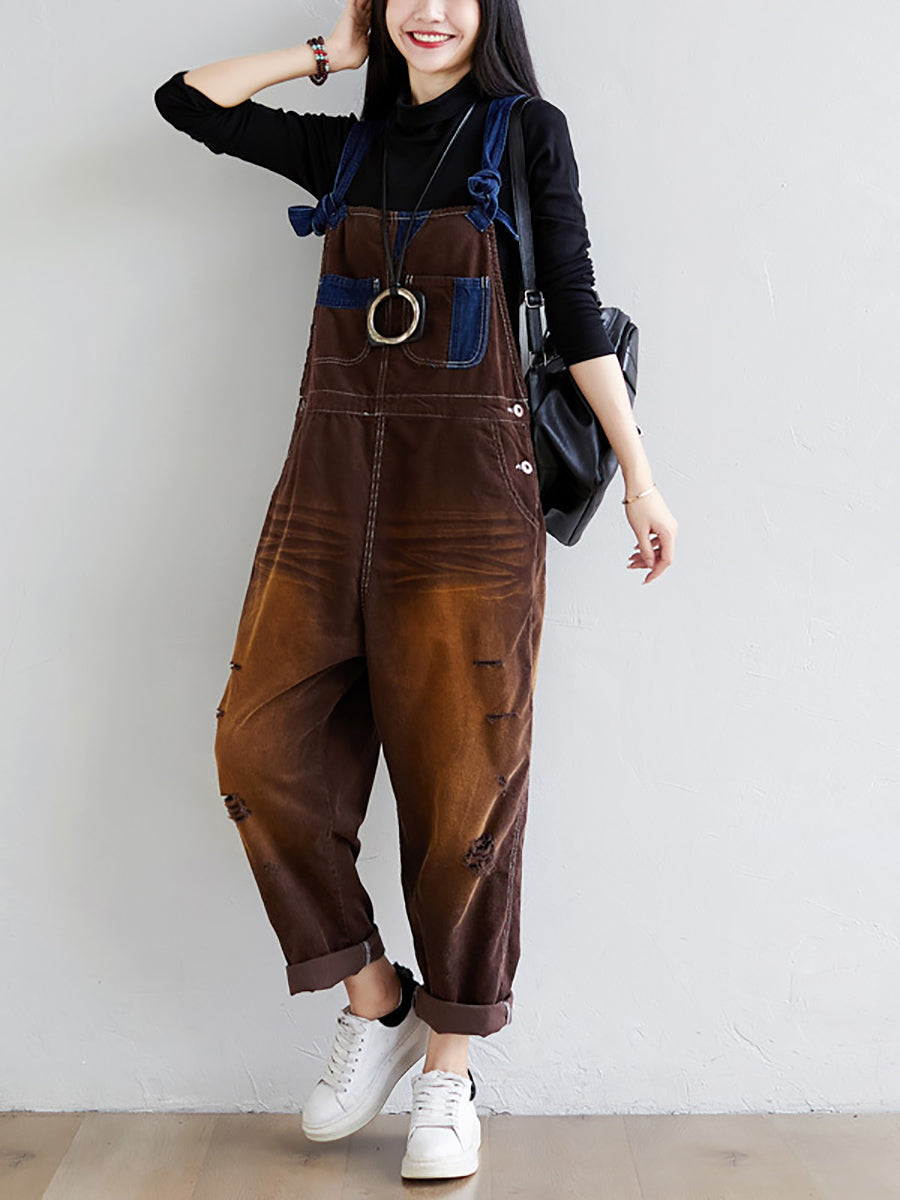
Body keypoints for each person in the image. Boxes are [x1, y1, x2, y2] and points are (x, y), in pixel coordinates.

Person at [154, 0, 677, 1181]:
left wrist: (642, 477)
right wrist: (324, 55)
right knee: (257, 752)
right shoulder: (347, 148)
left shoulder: (525, 133)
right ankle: (377, 998)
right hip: (326, 491)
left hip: (469, 505)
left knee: (463, 794)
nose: (430, 10)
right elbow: (188, 102)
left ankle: (450, 1068)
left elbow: (576, 310)